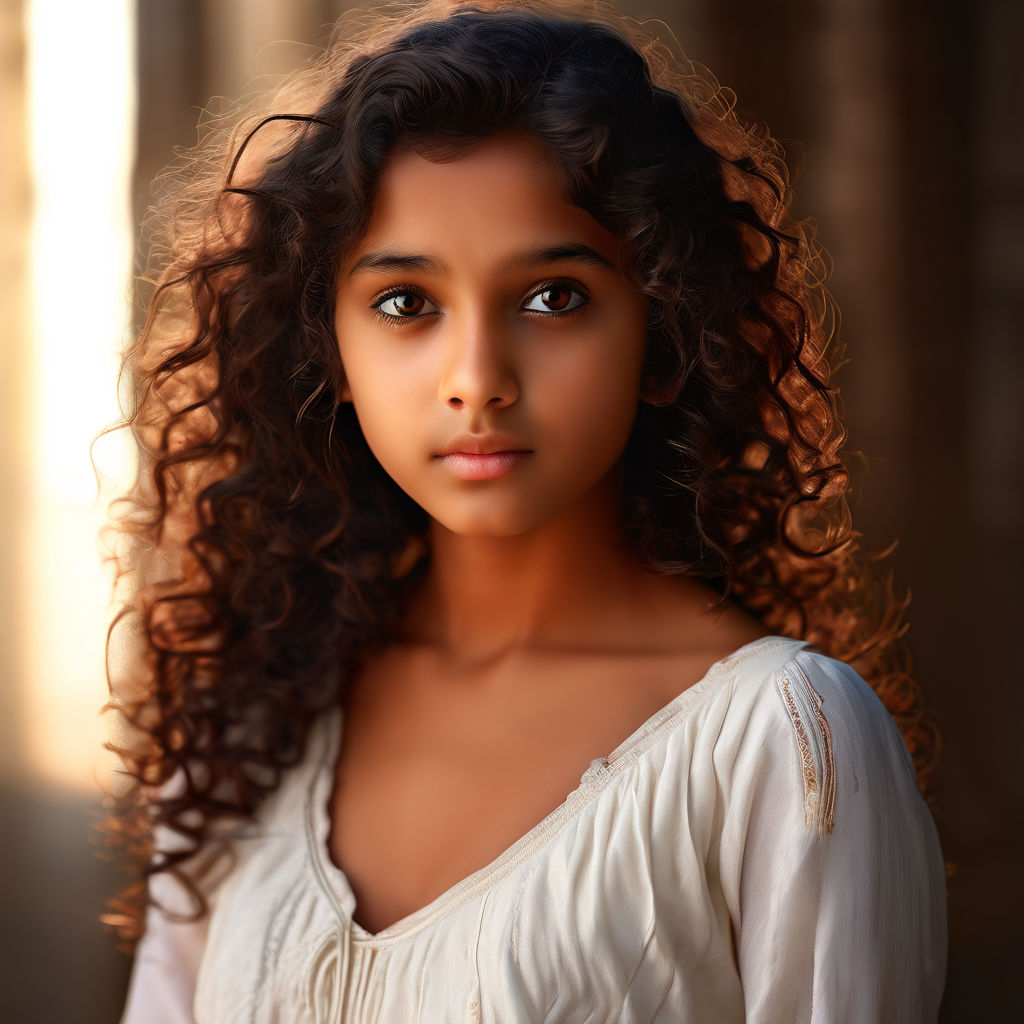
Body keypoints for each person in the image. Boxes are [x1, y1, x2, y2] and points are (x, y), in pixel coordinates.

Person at [104, 0, 947, 1020]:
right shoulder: (251, 723)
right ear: (325, 350)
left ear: (668, 332)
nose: (478, 379)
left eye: (553, 296)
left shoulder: (780, 739)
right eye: (407, 303)